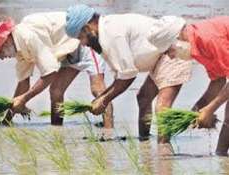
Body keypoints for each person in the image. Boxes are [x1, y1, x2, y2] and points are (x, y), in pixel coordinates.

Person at [65, 4, 192, 143]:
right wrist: (102, 98)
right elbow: (122, 75)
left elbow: (128, 75)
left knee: (162, 107)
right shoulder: (106, 30)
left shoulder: (111, 34)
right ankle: (145, 144)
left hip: (174, 50)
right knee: (143, 98)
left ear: (88, 28)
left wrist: (104, 100)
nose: (83, 44)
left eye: (81, 37)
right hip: (159, 57)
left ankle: (164, 151)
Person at [0, 12, 113, 128]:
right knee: (56, 91)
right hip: (67, 50)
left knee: (97, 89)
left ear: (5, 41)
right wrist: (7, 119)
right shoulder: (19, 49)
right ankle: (57, 130)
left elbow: (50, 73)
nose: (1, 58)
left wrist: (24, 99)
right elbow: (23, 84)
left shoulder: (27, 36)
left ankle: (109, 132)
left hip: (85, 38)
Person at [167, 16, 229, 155]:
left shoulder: (208, 39)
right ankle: (221, 157)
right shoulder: (197, 46)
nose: (170, 57)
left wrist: (209, 110)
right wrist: (195, 112)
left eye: (169, 51)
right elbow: (218, 81)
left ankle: (221, 155)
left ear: (179, 37)